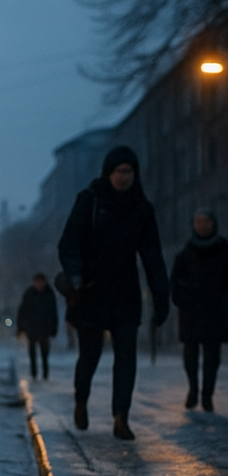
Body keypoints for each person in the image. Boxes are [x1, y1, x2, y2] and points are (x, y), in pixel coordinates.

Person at [57, 145, 169, 440]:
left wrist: (161, 297)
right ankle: (81, 400)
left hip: (125, 292)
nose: (124, 177)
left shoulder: (142, 209)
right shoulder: (89, 201)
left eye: (129, 171)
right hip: (91, 291)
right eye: (119, 171)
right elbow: (68, 243)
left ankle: (121, 417)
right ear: (108, 173)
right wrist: (77, 274)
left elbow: (152, 256)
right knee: (89, 356)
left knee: (126, 358)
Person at [170, 208, 228, 411]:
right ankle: (193, 389)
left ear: (213, 224)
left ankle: (207, 394)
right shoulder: (186, 252)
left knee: (212, 356)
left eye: (206, 222)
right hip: (191, 311)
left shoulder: (223, 249)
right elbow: (175, 282)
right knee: (191, 354)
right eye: (198, 222)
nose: (202, 226)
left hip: (216, 311)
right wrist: (182, 300)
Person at [16, 273, 59, 379]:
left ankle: (45, 373)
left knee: (44, 353)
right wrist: (21, 327)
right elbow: (22, 311)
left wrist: (53, 329)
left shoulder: (49, 293)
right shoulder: (29, 293)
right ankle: (34, 373)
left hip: (44, 328)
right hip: (32, 327)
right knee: (32, 352)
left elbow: (53, 312)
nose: (39, 284)